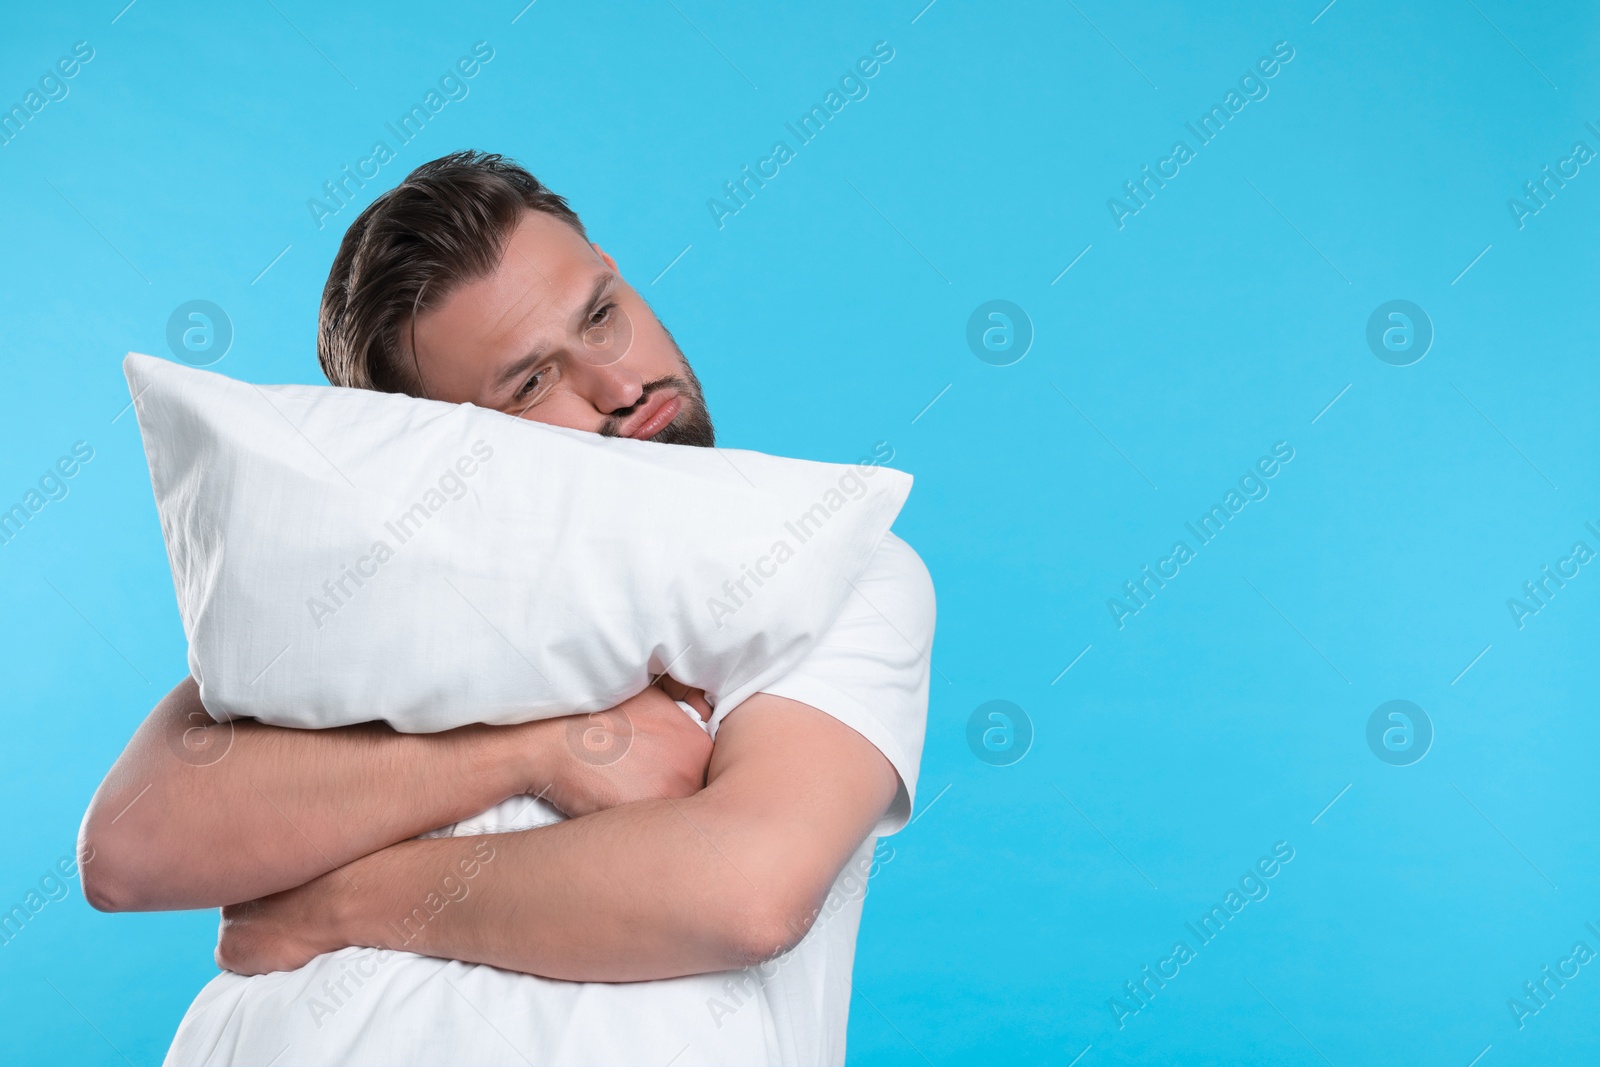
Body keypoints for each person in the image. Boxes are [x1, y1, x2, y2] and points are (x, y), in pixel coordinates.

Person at [79, 151, 935, 1066]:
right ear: (418, 449)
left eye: (603, 315)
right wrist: (535, 750)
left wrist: (341, 902)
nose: (619, 385)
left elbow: (745, 889)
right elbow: (130, 854)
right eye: (531, 383)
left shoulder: (825, 560)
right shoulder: (365, 603)